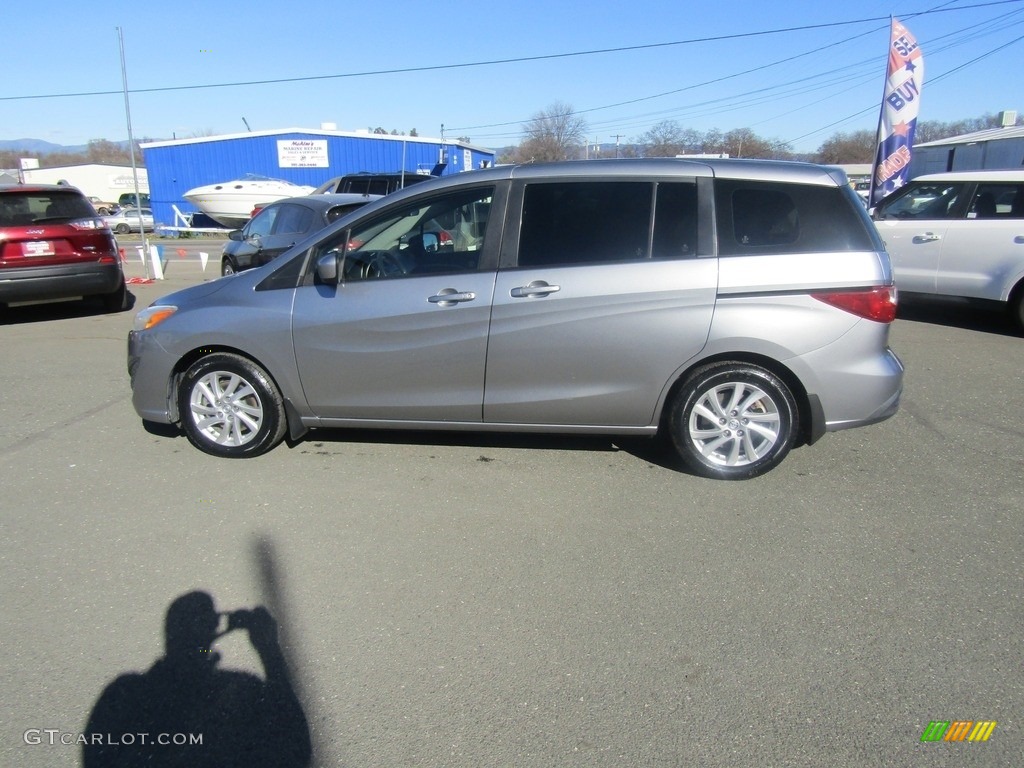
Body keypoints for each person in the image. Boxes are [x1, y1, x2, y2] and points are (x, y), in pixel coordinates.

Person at [83, 591, 311, 768]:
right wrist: (269, 653)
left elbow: (294, 750)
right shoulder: (239, 691)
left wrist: (269, 652)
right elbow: (294, 750)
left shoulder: (127, 693)